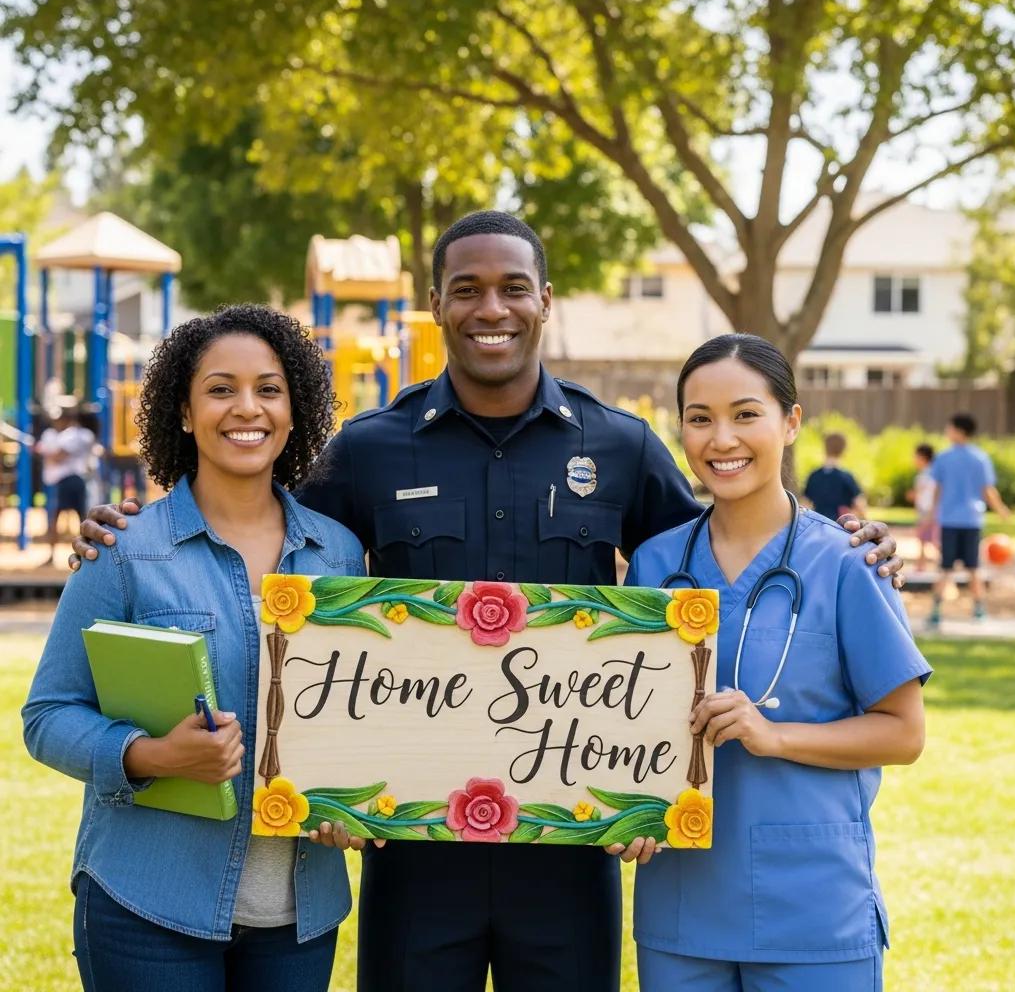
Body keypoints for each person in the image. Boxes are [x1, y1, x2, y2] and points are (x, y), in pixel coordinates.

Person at [70, 213, 903, 992]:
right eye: (465, 289)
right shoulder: (369, 449)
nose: (490, 307)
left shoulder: (617, 444)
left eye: (512, 287)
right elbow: (258, 518)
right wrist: (135, 520)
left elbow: (722, 554)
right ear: (435, 306)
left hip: (569, 850)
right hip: (416, 854)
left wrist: (850, 544)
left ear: (546, 300)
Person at [24, 305, 368, 992]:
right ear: (183, 412)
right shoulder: (124, 550)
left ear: (295, 409)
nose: (248, 408)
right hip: (147, 905)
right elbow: (48, 714)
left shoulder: (341, 552)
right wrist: (150, 756)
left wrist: (357, 802)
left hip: (299, 919)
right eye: (220, 389)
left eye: (269, 389)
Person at [625, 333, 929, 992]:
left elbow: (904, 733)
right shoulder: (654, 566)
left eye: (745, 414)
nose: (721, 439)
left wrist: (775, 735)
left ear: (791, 422)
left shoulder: (849, 563)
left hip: (814, 913)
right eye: (700, 419)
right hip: (680, 913)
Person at [926, 413, 1010, 624]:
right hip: (972, 520)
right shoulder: (980, 458)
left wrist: (932, 512)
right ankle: (979, 610)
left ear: (959, 431)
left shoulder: (944, 458)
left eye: (949, 428)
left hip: (950, 521)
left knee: (945, 567)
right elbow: (988, 490)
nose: (947, 431)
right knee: (974, 568)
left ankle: (936, 612)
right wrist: (1001, 510)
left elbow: (937, 489)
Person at [35, 405, 98, 565]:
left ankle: (87, 553)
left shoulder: (77, 435)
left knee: (78, 519)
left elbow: (58, 456)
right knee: (70, 517)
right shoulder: (66, 435)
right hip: (66, 481)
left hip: (72, 480)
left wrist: (44, 451)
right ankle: (58, 555)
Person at [802, 431, 866, 522]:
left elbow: (805, 505)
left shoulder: (814, 476)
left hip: (818, 525)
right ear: (843, 450)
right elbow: (860, 505)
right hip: (839, 526)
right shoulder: (846, 477)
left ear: (825, 448)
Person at [909, 443, 938, 570]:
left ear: (922, 457)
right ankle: (921, 564)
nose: (914, 460)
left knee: (927, 537)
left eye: (916, 457)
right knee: (925, 538)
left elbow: (924, 493)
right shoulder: (930, 474)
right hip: (927, 509)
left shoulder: (927, 475)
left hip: (929, 510)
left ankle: (922, 565)